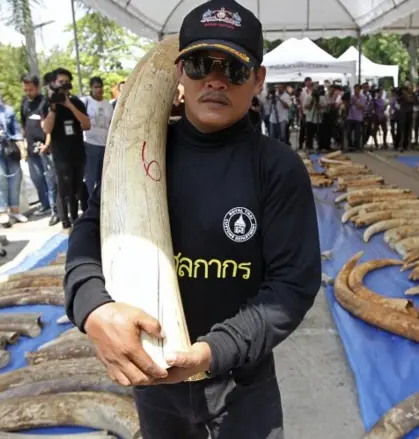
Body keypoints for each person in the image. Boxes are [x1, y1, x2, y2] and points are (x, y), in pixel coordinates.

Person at [63, 1, 321, 438]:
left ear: (257, 79)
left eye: (234, 69)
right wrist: (92, 309)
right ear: (180, 72)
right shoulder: (138, 153)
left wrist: (211, 352)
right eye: (201, 64)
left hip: (241, 383)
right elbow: (88, 241)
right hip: (154, 380)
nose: (215, 79)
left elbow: (292, 286)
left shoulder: (277, 167)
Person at [41, 68, 91, 230]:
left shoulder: (76, 102)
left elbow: (87, 125)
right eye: (59, 82)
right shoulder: (48, 104)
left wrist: (69, 104)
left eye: (66, 82)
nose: (63, 85)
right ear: (53, 83)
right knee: (63, 188)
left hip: (77, 151)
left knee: (77, 187)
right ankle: (65, 220)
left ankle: (76, 217)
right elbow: (47, 129)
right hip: (60, 154)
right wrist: (54, 108)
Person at [20, 74, 59, 225]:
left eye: (30, 89)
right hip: (31, 149)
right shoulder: (24, 103)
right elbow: (23, 124)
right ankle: (45, 204)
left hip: (45, 148)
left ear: (36, 87)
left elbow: (48, 127)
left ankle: (55, 209)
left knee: (50, 180)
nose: (28, 92)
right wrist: (24, 144)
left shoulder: (44, 102)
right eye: (25, 89)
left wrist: (47, 144)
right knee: (37, 179)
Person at [0, 83, 26, 227]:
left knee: (15, 178)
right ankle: (2, 211)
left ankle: (14, 209)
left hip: (10, 149)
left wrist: (23, 148)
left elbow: (16, 131)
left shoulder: (7, 111)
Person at [82, 77, 113, 195]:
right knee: (90, 177)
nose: (98, 89)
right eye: (95, 87)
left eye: (100, 86)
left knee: (103, 177)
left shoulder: (108, 105)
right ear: (91, 88)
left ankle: (101, 202)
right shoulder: (86, 102)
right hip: (90, 144)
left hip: (105, 144)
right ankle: (90, 203)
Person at [346, 84, 366, 151]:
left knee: (357, 133)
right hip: (350, 117)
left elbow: (362, 106)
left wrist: (355, 102)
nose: (356, 90)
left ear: (360, 90)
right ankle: (350, 145)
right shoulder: (351, 97)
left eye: (357, 89)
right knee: (348, 132)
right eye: (355, 89)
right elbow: (347, 105)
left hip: (358, 117)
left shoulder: (362, 97)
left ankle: (356, 146)